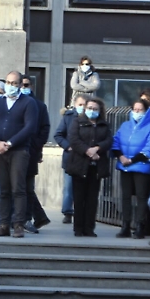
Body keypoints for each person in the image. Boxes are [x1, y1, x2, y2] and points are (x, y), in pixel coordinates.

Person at [0, 71, 38, 238]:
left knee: (18, 188)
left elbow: (30, 127)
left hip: (19, 150)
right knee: (3, 189)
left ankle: (18, 224)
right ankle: (3, 224)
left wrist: (10, 143)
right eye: (8, 82)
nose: (11, 86)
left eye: (14, 83)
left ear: (20, 85)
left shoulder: (28, 103)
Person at [66, 97, 113, 237]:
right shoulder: (77, 122)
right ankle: (78, 228)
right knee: (79, 198)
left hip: (96, 167)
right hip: (79, 165)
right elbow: (74, 140)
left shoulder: (104, 125)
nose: (92, 111)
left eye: (95, 109)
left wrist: (97, 149)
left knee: (92, 199)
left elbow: (109, 140)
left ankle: (89, 228)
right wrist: (88, 151)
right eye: (90, 108)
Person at [111, 99, 150, 239]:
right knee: (126, 196)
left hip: (142, 166)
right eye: (135, 109)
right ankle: (125, 226)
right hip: (125, 166)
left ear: (146, 111)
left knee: (142, 197)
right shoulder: (125, 125)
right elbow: (116, 141)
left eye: (140, 110)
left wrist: (132, 160)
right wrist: (121, 156)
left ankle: (140, 226)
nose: (136, 112)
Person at [20, 76, 51, 234]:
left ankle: (27, 218)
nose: (23, 87)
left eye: (26, 85)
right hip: (14, 151)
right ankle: (37, 217)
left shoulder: (39, 106)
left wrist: (36, 145)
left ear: (31, 86)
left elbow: (45, 128)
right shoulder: (12, 104)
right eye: (20, 85)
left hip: (31, 152)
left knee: (28, 187)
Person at [53, 95, 89, 224]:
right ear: (75, 104)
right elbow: (58, 135)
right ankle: (67, 212)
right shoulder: (68, 117)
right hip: (71, 157)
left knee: (85, 188)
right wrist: (68, 146)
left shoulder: (91, 118)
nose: (82, 107)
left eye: (85, 105)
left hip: (86, 157)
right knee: (69, 187)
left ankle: (82, 212)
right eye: (80, 104)